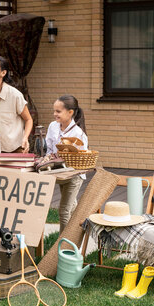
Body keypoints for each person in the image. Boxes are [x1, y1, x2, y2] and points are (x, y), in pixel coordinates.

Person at [45, 94, 88, 233]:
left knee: (64, 211)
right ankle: (79, 229)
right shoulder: (53, 126)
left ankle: (63, 245)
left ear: (70, 113)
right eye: (54, 111)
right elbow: (50, 149)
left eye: (58, 111)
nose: (54, 114)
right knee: (72, 206)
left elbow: (81, 159)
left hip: (74, 177)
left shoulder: (78, 134)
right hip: (60, 173)